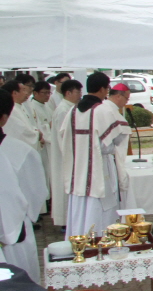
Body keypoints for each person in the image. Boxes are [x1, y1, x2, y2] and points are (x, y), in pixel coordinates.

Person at [58, 72, 131, 239]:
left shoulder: (73, 110)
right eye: (107, 89)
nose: (107, 92)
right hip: (100, 168)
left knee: (80, 209)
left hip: (77, 170)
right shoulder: (102, 110)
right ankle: (100, 241)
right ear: (102, 89)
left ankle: (78, 241)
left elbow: (64, 136)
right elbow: (119, 136)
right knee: (99, 209)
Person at [0, 90, 47, 282]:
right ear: (5, 117)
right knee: (20, 288)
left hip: (12, 232)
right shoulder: (21, 152)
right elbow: (35, 193)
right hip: (13, 233)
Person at [49, 79, 81, 230]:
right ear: (68, 93)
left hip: (68, 155)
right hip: (65, 156)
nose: (80, 95)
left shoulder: (71, 108)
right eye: (78, 92)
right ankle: (66, 222)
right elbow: (64, 136)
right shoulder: (63, 110)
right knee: (65, 188)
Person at [25, 80, 53, 190]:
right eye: (44, 93)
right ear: (35, 93)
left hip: (50, 145)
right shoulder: (32, 106)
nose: (47, 96)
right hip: (42, 145)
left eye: (48, 93)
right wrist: (48, 126)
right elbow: (36, 126)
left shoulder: (47, 107)